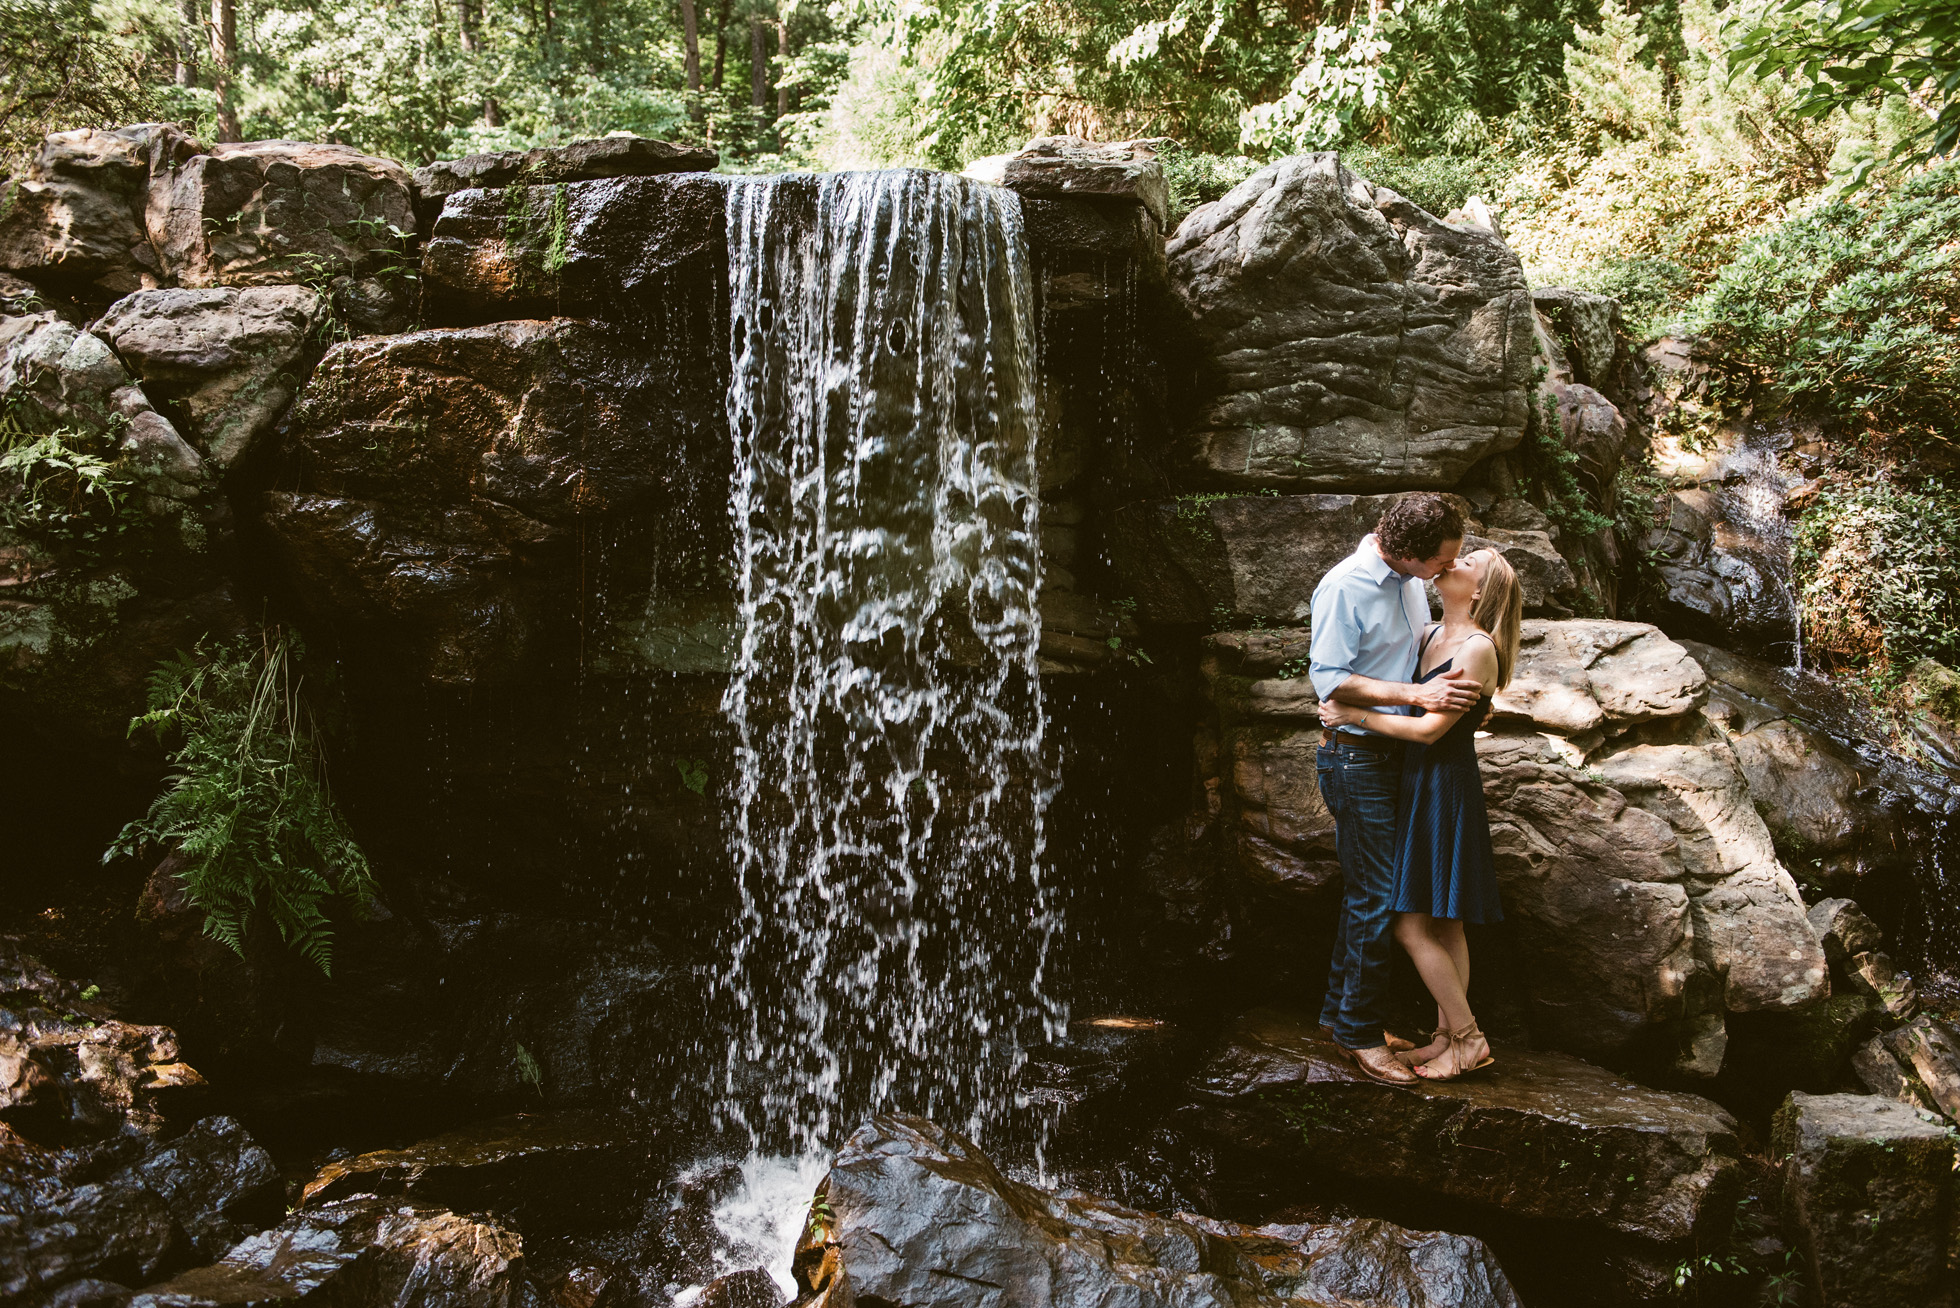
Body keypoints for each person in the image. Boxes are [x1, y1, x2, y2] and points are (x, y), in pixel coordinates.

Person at [1318, 546, 1523, 1081]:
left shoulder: (1478, 648)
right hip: (1414, 780)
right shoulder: (1429, 635)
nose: (1454, 562)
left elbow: (1429, 730)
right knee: (1445, 921)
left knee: (1413, 926)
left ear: (1479, 592)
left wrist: (1351, 713)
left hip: (1443, 787)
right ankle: (1444, 1039)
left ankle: (1468, 1038)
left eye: (1468, 562)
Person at [1308, 494, 1482, 1088]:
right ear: (1406, 551)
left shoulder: (1411, 582)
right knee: (1379, 896)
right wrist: (1417, 696)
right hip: (1354, 758)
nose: (1446, 570)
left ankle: (1337, 1020)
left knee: (1369, 892)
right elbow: (1329, 679)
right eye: (1441, 561)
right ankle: (1360, 1034)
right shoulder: (1346, 586)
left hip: (1392, 756)